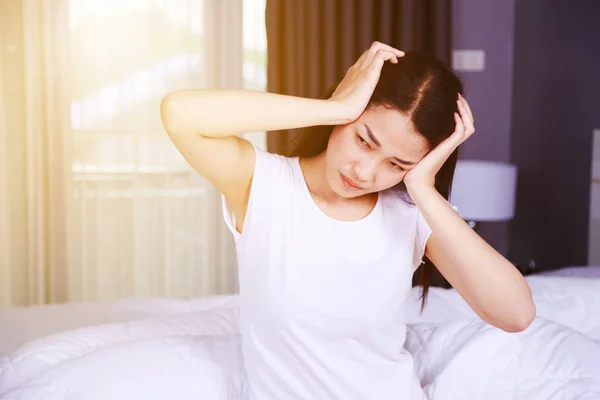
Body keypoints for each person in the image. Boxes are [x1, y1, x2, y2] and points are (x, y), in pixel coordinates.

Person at [160, 42, 536, 400]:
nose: (365, 171)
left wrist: (422, 187)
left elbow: (516, 315)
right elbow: (179, 112)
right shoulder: (264, 185)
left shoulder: (412, 213)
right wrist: (336, 107)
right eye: (364, 140)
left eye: (396, 164)